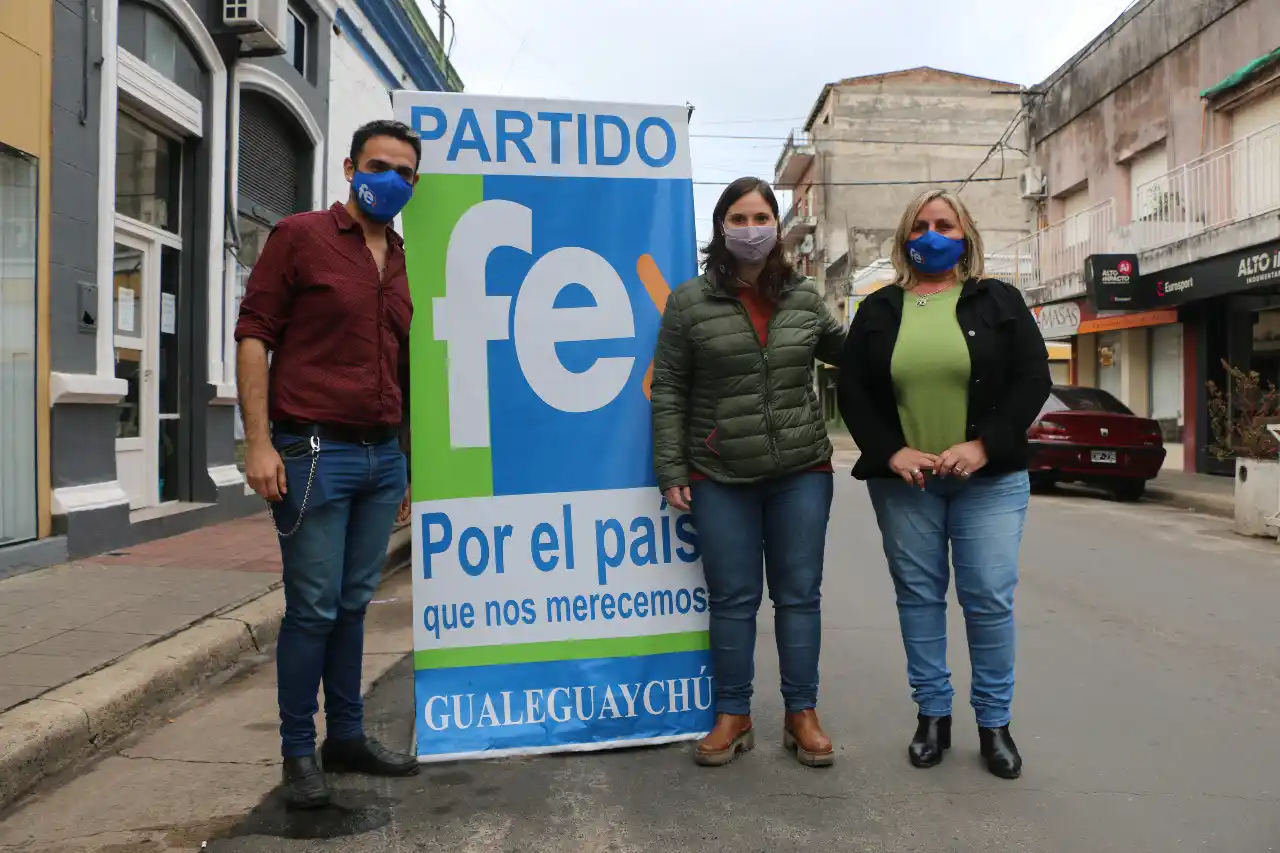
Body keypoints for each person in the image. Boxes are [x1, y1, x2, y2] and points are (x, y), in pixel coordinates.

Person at [235, 119, 422, 808]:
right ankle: (295, 753)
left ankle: (345, 735)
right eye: (379, 165)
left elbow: (404, 368)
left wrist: (407, 463)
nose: (391, 180)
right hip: (312, 452)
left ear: (415, 182)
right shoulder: (300, 237)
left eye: (404, 171)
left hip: (381, 459)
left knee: (351, 604)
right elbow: (254, 335)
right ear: (349, 167)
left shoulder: (403, 260)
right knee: (311, 608)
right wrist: (257, 443)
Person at [837, 189, 1050, 780]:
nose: (932, 235)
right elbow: (853, 391)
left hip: (989, 480)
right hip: (907, 484)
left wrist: (985, 446)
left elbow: (1033, 377)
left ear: (966, 236)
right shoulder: (878, 309)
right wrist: (890, 451)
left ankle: (994, 723)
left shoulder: (999, 300)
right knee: (919, 599)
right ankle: (932, 716)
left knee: (987, 599)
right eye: (922, 225)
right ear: (906, 237)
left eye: (945, 225)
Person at [650, 177, 846, 768]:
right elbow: (669, 389)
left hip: (801, 469)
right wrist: (671, 466)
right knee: (733, 598)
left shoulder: (806, 298)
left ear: (777, 227)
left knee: (798, 596)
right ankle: (732, 715)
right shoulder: (688, 302)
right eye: (739, 217)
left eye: (762, 216)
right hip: (719, 472)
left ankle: (801, 714)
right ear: (720, 227)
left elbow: (852, 355)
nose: (751, 228)